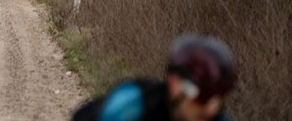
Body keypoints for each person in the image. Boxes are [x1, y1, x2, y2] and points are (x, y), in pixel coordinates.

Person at [73, 35, 237, 121]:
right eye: (203, 96)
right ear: (174, 84)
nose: (211, 108)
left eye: (220, 97)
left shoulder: (216, 118)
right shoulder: (132, 107)